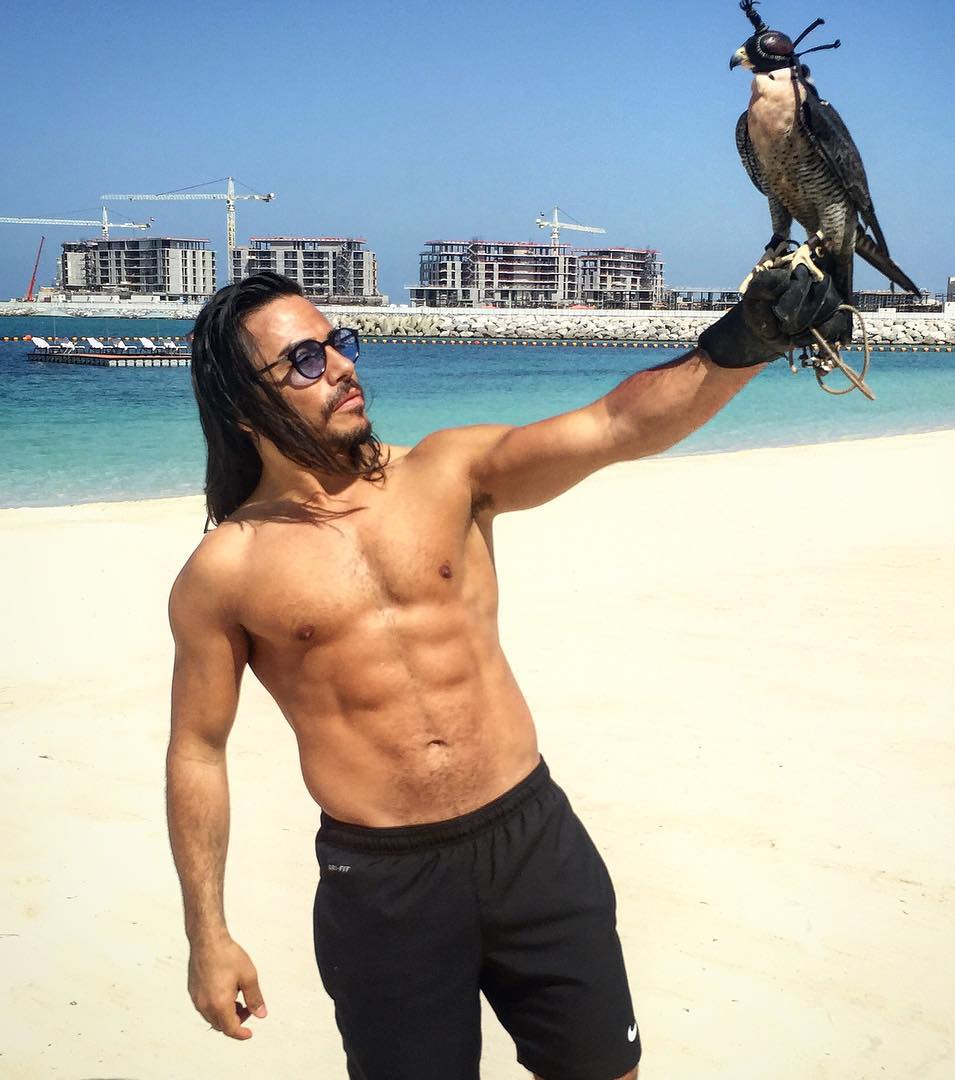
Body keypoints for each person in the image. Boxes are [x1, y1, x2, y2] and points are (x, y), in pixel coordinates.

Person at [166, 264, 845, 1080]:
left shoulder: (448, 472)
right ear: (244, 405)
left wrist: (745, 341)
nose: (342, 366)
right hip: (383, 885)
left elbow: (614, 425)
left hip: (532, 845)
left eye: (338, 343)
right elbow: (197, 751)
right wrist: (207, 934)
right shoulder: (225, 571)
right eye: (305, 360)